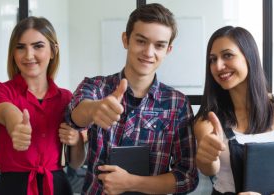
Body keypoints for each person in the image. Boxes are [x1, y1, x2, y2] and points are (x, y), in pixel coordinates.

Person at [65, 3, 198, 195]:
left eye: (159, 45)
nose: (149, 52)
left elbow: (187, 178)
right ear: (126, 40)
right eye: (141, 41)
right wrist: (94, 110)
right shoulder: (96, 87)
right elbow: (74, 115)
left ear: (168, 50)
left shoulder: (177, 104)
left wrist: (131, 183)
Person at [194, 26, 274, 195]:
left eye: (227, 55)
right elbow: (209, 169)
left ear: (249, 56)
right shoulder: (207, 120)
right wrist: (206, 157)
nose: (218, 66)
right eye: (212, 59)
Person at [0, 16, 80, 195]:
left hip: (57, 187)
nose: (28, 55)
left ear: (53, 51)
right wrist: (16, 125)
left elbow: (75, 162)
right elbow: (6, 111)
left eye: (38, 46)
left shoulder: (66, 98)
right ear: (13, 53)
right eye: (20, 47)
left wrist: (77, 140)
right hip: (13, 188)